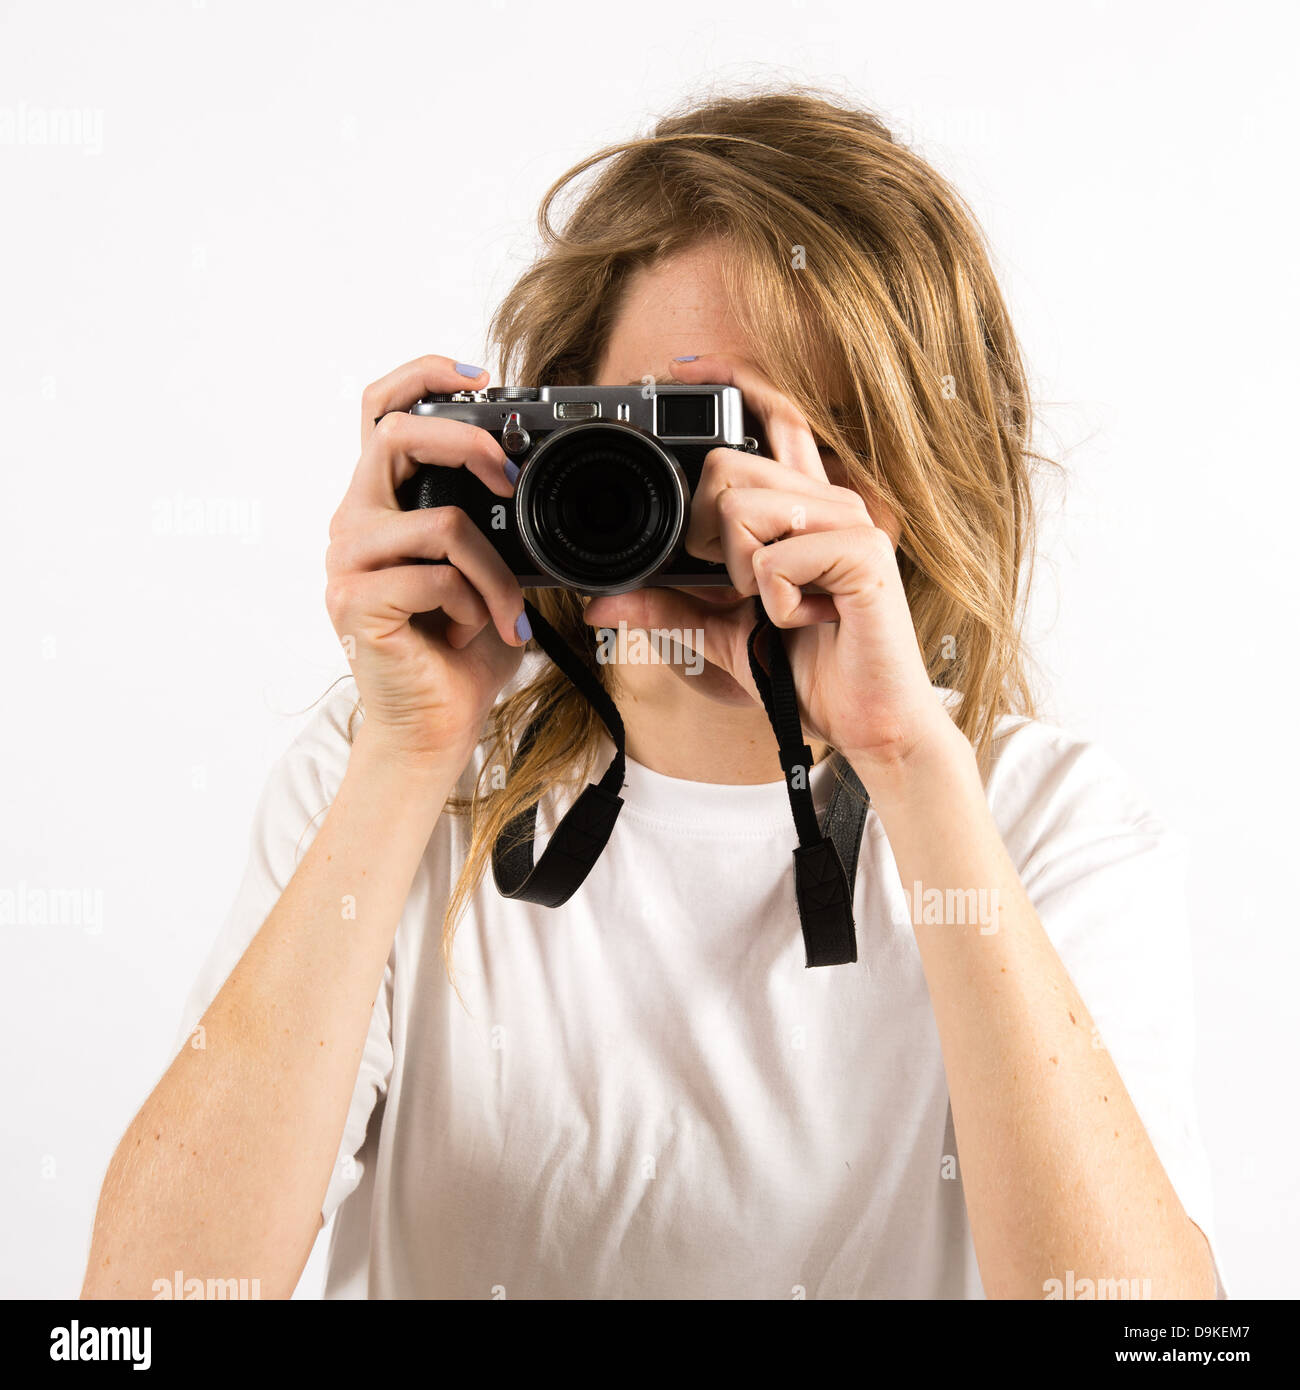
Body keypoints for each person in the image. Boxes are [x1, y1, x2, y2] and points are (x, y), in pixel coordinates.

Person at [82, 87, 1221, 1300]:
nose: (739, 503)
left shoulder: (1043, 822)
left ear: (913, 478)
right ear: (551, 438)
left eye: (801, 443)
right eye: (675, 430)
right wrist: (407, 754)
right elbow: (139, 1315)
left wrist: (910, 761)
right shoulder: (394, 776)